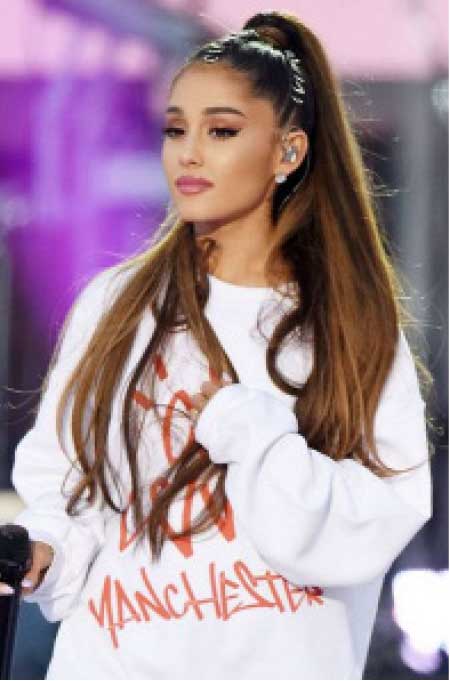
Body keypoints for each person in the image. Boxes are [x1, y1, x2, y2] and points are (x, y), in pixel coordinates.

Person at [5, 10, 434, 680]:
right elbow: (67, 486)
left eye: (222, 131)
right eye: (176, 129)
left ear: (289, 152)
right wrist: (43, 550)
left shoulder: (348, 325)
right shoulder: (117, 305)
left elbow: (376, 520)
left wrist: (249, 430)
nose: (189, 153)